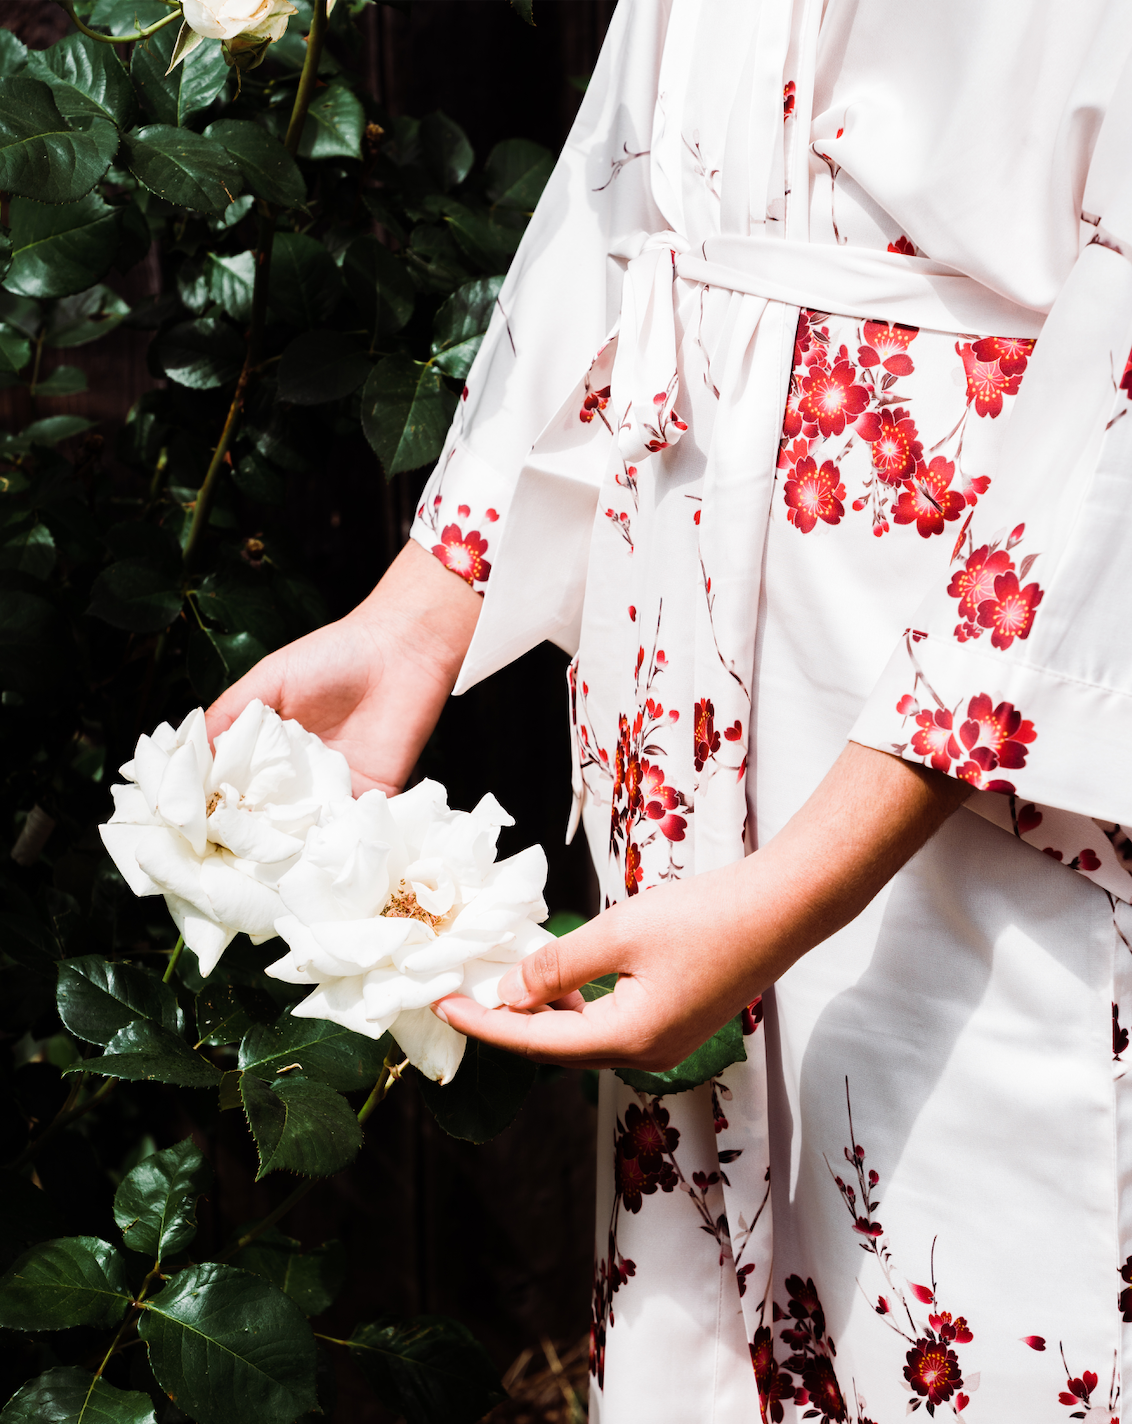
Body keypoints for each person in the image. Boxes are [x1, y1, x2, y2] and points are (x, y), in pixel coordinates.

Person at [207, 2, 1132, 1418]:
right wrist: (421, 608)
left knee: (982, 1258)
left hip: (968, 679)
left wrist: (810, 879)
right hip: (689, 647)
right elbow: (636, 180)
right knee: (717, 1268)